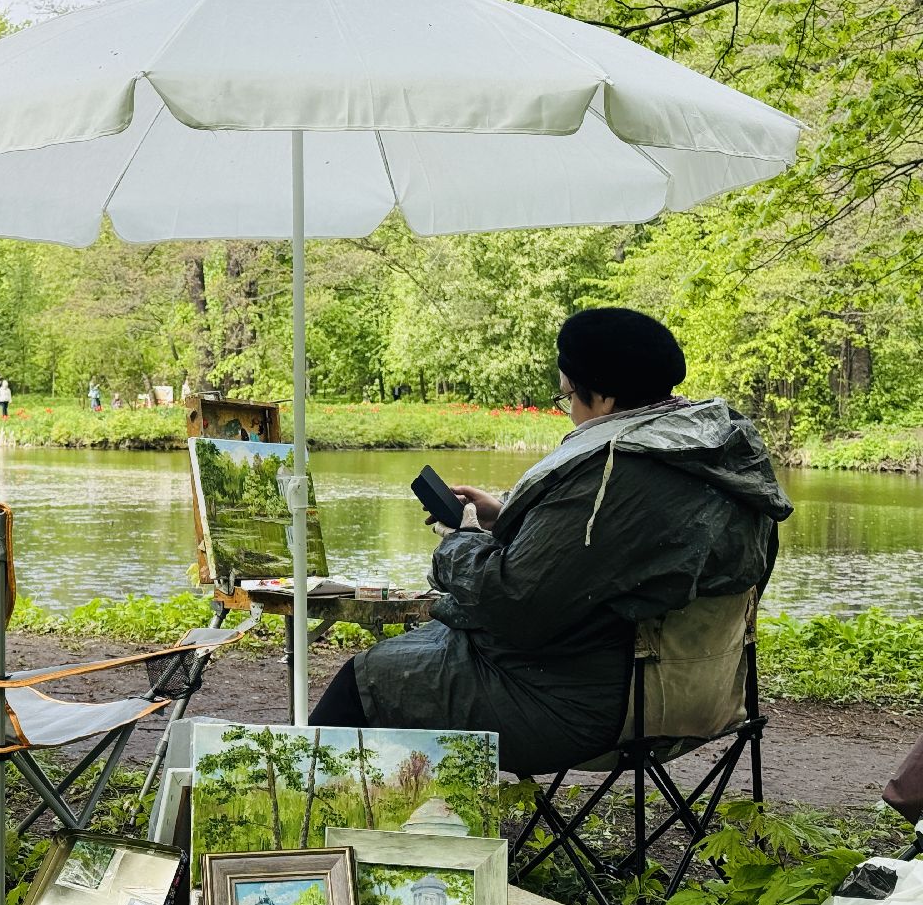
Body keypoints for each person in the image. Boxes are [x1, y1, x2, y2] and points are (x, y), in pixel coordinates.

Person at [309, 307, 793, 776]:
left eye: (567, 398)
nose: (568, 412)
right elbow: (607, 559)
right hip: (700, 695)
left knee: (365, 680)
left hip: (581, 706)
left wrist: (462, 539)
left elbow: (514, 604)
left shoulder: (612, 475)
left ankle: (310, 831)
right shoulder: (712, 455)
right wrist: (507, 519)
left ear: (602, 398)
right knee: (416, 656)